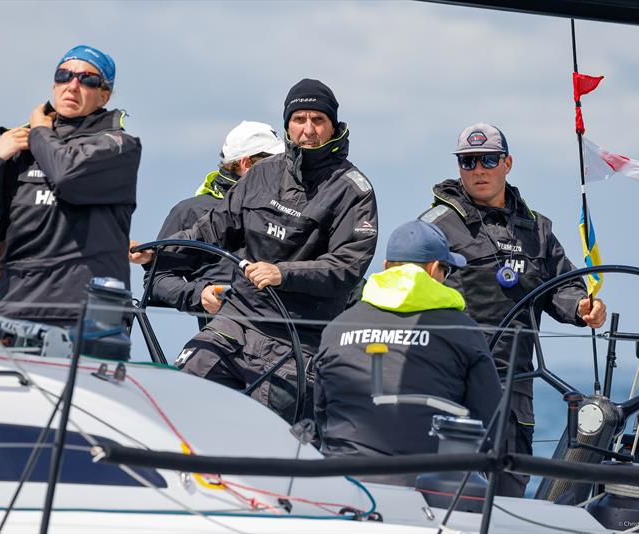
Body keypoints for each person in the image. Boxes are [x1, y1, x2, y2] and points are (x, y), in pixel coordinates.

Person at [132, 78, 379, 422]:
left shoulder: (354, 190)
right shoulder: (262, 173)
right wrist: (158, 253)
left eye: (318, 120)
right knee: (170, 409)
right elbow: (215, 226)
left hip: (297, 341)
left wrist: (282, 274)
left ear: (333, 126)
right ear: (288, 125)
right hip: (236, 321)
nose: (308, 129)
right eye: (300, 119)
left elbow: (347, 267)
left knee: (266, 441)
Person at [420, 122, 607, 497]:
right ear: (459, 167)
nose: (479, 170)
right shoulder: (434, 227)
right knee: (448, 491)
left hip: (515, 383)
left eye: (488, 159)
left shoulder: (537, 230)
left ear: (507, 163)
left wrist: (583, 307)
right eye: (468, 162)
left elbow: (561, 287)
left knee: (508, 488)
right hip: (452, 382)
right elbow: (401, 282)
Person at [0, 45, 141, 325]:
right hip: (18, 314)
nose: (72, 86)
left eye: (87, 79)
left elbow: (67, 177)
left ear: (104, 95)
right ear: (54, 84)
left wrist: (39, 131)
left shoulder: (119, 146)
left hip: (88, 317)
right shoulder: (19, 150)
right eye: (64, 75)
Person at [314, 220, 502, 486]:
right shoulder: (464, 331)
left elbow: (321, 413)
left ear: (386, 266)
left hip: (340, 483)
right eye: (447, 271)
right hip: (426, 488)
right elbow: (491, 422)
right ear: (435, 269)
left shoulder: (337, 327)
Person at [145, 121, 284, 329]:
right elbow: (157, 280)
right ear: (246, 164)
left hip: (292, 337)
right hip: (224, 336)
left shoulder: (289, 210)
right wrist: (200, 293)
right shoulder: (191, 211)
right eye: (276, 161)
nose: (284, 168)